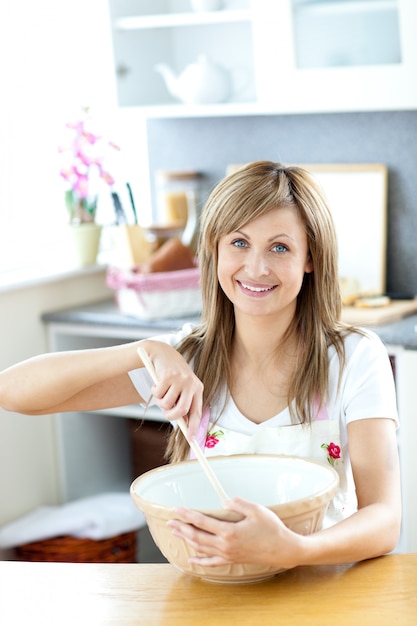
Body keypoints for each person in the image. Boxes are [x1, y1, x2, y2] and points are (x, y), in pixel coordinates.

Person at [0, 161, 401, 571]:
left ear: (310, 258)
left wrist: (293, 551)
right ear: (215, 249)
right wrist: (146, 349)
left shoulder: (354, 357)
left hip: (320, 588)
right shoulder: (187, 358)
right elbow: (12, 392)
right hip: (209, 592)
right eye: (239, 243)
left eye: (280, 247)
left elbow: (385, 520)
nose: (257, 268)